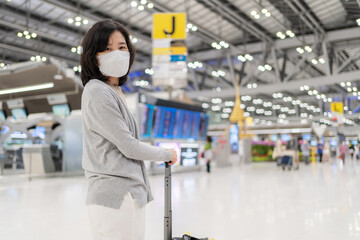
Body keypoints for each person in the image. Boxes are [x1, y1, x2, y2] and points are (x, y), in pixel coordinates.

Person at [80, 19, 177, 240]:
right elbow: (128, 146)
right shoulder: (98, 91)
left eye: (121, 47)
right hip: (115, 196)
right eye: (107, 48)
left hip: (124, 194)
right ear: (92, 55)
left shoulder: (113, 90)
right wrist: (165, 154)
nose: (116, 53)